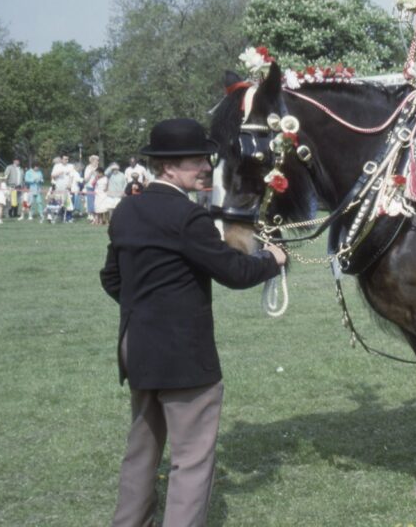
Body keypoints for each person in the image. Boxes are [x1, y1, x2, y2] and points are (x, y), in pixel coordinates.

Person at [100, 118, 287, 527]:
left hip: (137, 346)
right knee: (192, 459)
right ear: (168, 166)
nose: (205, 166)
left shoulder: (126, 210)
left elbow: (111, 278)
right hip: (182, 354)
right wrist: (273, 259)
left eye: (206, 158)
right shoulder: (188, 217)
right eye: (196, 160)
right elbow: (235, 273)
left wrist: (146, 312)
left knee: (142, 450)